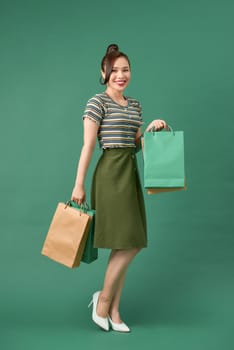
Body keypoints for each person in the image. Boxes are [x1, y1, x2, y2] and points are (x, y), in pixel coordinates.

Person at [71, 44, 167, 332]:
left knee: (130, 241)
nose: (120, 75)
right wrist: (78, 185)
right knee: (125, 242)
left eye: (125, 69)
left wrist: (151, 130)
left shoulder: (135, 105)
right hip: (110, 175)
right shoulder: (96, 103)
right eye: (115, 70)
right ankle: (103, 301)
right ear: (104, 73)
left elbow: (135, 146)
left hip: (129, 173)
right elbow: (88, 146)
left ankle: (113, 308)